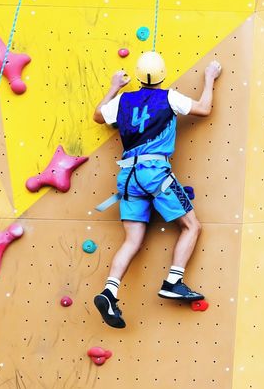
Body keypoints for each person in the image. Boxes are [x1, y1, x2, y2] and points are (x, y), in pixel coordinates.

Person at [91, 51, 221, 328]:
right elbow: (204, 108)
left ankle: (110, 291)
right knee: (191, 226)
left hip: (127, 176)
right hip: (154, 173)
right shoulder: (169, 97)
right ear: (162, 75)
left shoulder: (123, 101)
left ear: (137, 77)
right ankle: (174, 280)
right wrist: (209, 78)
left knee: (132, 240)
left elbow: (98, 117)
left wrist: (115, 87)